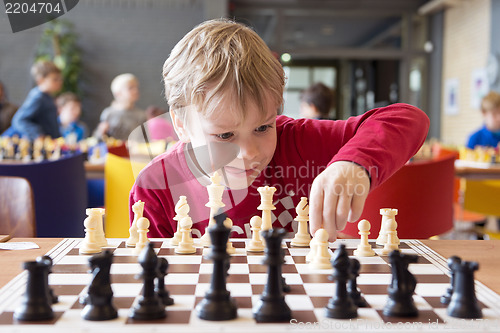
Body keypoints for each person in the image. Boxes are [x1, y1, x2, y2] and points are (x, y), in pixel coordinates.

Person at [129, 19, 429, 241]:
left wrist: (353, 163)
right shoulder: (155, 188)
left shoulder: (297, 142)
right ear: (181, 125)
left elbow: (408, 118)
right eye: (224, 136)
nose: (250, 152)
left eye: (262, 127)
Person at [2, 60, 62, 140]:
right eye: (55, 79)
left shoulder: (47, 97)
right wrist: (38, 134)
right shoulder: (38, 97)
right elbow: (19, 120)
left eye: (60, 79)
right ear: (41, 80)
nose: (59, 82)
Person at [93, 73, 145, 141]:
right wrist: (101, 132)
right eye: (130, 88)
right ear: (118, 93)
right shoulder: (108, 113)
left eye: (136, 87)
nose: (135, 90)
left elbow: (145, 139)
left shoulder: (141, 115)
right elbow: (97, 138)